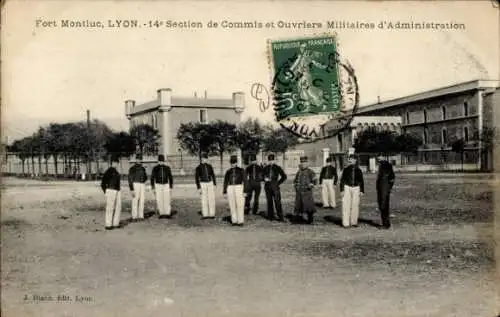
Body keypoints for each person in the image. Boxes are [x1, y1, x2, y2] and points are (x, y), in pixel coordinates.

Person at [339, 154, 364, 228]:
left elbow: (361, 181)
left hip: (356, 188)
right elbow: (342, 180)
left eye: (352, 159)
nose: (350, 160)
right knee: (346, 205)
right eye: (349, 159)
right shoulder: (346, 169)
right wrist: (342, 190)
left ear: (355, 160)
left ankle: (354, 222)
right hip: (347, 187)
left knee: (355, 205)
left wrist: (362, 190)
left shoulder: (359, 170)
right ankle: (345, 223)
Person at [223, 155, 247, 226]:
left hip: (239, 187)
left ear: (236, 163)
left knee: (240, 204)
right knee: (232, 204)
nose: (233, 164)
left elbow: (245, 181)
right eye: (231, 163)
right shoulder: (228, 172)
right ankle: (234, 220)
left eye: (234, 162)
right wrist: (224, 191)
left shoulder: (241, 170)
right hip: (230, 187)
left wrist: (245, 191)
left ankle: (240, 221)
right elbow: (225, 181)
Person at [263, 154, 287, 221]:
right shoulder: (265, 168)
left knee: (277, 202)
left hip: (275, 187)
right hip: (267, 187)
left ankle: (280, 217)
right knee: (269, 201)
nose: (271, 162)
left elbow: (284, 176)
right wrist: (264, 179)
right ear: (268, 160)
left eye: (272, 160)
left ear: (274, 160)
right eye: (270, 160)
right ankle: (270, 216)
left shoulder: (277, 167)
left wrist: (278, 183)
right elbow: (261, 176)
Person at [293, 156, 317, 224]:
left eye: (304, 162)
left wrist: (311, 184)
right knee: (299, 206)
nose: (303, 164)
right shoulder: (299, 172)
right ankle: (300, 219)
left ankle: (310, 219)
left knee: (309, 206)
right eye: (302, 162)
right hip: (299, 191)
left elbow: (314, 180)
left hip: (307, 191)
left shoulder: (310, 171)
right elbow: (295, 180)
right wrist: (296, 186)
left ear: (307, 163)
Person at [100, 156, 122, 230]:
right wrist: (105, 191)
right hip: (110, 190)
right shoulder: (108, 171)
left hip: (117, 190)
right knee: (110, 207)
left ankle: (116, 223)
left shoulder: (116, 172)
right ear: (112, 163)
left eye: (117, 163)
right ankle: (108, 224)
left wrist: (119, 190)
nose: (116, 164)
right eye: (115, 162)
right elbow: (103, 183)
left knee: (118, 207)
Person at [151, 154, 174, 219]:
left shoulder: (167, 168)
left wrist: (171, 186)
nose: (161, 162)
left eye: (162, 161)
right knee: (159, 199)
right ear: (158, 161)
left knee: (167, 199)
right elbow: (152, 178)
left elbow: (170, 177)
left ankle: (167, 213)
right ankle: (161, 213)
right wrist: (153, 187)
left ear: (164, 161)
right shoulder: (155, 168)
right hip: (158, 185)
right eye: (160, 161)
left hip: (166, 184)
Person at [376, 155, 395, 229]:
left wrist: (388, 187)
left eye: (379, 156)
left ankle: (386, 224)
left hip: (385, 189)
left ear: (383, 157)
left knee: (384, 206)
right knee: (381, 205)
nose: (378, 158)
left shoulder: (387, 165)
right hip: (381, 188)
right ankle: (384, 222)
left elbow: (392, 178)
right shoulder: (381, 165)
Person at [195, 153, 216, 219]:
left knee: (211, 199)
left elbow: (213, 175)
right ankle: (205, 214)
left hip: (210, 183)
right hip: (203, 184)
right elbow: (196, 178)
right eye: (203, 159)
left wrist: (214, 184)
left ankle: (212, 214)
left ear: (207, 159)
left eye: (205, 158)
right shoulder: (198, 167)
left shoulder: (210, 166)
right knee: (204, 199)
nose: (204, 160)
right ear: (201, 159)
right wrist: (199, 187)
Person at [128, 154, 148, 222]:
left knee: (142, 200)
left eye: (140, 159)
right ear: (136, 159)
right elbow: (130, 179)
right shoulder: (132, 168)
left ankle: (141, 216)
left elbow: (145, 177)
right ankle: (134, 216)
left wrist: (144, 178)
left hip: (142, 184)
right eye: (138, 159)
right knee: (135, 200)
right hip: (135, 184)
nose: (139, 160)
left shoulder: (143, 168)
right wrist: (132, 189)